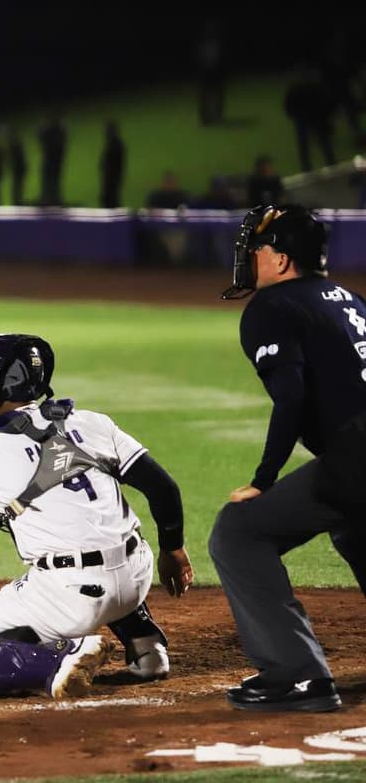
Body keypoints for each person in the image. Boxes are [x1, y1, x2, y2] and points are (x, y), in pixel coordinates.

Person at [0, 334, 193, 699]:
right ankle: (147, 648)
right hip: (138, 578)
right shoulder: (90, 422)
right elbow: (164, 488)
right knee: (97, 532)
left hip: (70, 597)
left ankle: (60, 659)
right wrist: (173, 550)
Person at [211, 204, 366, 712]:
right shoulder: (351, 300)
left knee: (239, 532)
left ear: (279, 260)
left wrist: (264, 479)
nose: (248, 259)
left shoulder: (271, 306)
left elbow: (292, 398)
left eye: (254, 250)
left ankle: (296, 675)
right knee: (352, 525)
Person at [37, 115, 66, 206]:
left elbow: (41, 136)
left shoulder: (54, 133)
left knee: (51, 180)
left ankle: (51, 199)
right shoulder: (58, 132)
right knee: (51, 180)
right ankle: (51, 198)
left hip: (52, 161)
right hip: (53, 161)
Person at [98, 120, 125, 208]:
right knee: (109, 197)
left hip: (112, 177)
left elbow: (113, 161)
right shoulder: (112, 143)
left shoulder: (115, 144)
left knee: (110, 198)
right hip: (110, 176)